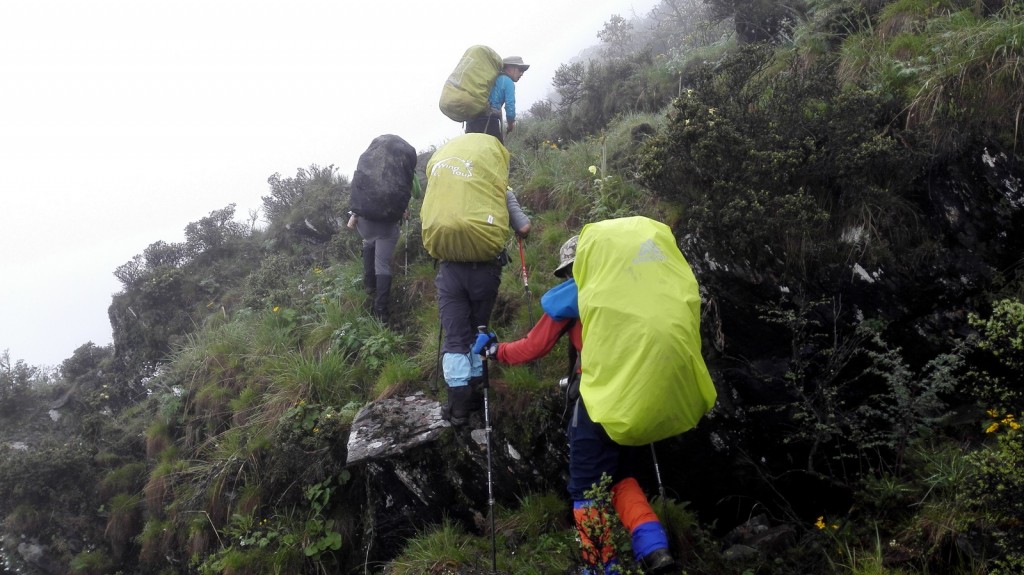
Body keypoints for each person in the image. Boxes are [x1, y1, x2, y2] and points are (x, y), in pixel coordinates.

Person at [473, 236, 682, 575]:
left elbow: (533, 347)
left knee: (585, 486)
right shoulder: (635, 288)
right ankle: (655, 551)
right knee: (621, 477)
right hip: (640, 395)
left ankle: (601, 566)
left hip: (599, 400)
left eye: (571, 270)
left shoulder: (577, 294)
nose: (571, 277)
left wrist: (496, 351)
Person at [437, 188, 531, 427]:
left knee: (456, 337)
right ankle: (478, 396)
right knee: (479, 329)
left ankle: (459, 409)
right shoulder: (501, 188)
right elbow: (523, 228)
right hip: (487, 271)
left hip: (451, 270)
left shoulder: (450, 183)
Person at [464, 56, 529, 144]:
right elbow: (510, 106)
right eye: (520, 69)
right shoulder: (508, 82)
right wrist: (510, 124)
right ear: (510, 67)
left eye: (523, 71)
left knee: (473, 152)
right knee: (495, 152)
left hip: (471, 120)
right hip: (488, 121)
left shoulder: (492, 79)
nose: (522, 73)